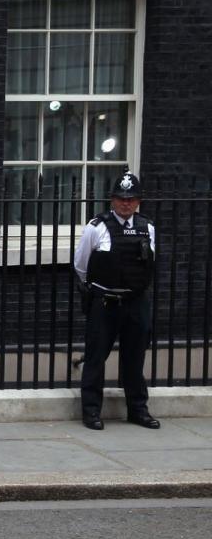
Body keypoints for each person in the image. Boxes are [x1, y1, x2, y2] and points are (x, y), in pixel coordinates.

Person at [73, 170, 159, 431]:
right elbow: (81, 264)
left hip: (135, 301)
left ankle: (138, 410)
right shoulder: (96, 227)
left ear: (138, 201)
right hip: (105, 302)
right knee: (96, 357)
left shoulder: (147, 227)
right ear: (112, 200)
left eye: (131, 199)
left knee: (135, 359)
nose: (126, 203)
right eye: (121, 198)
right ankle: (91, 412)